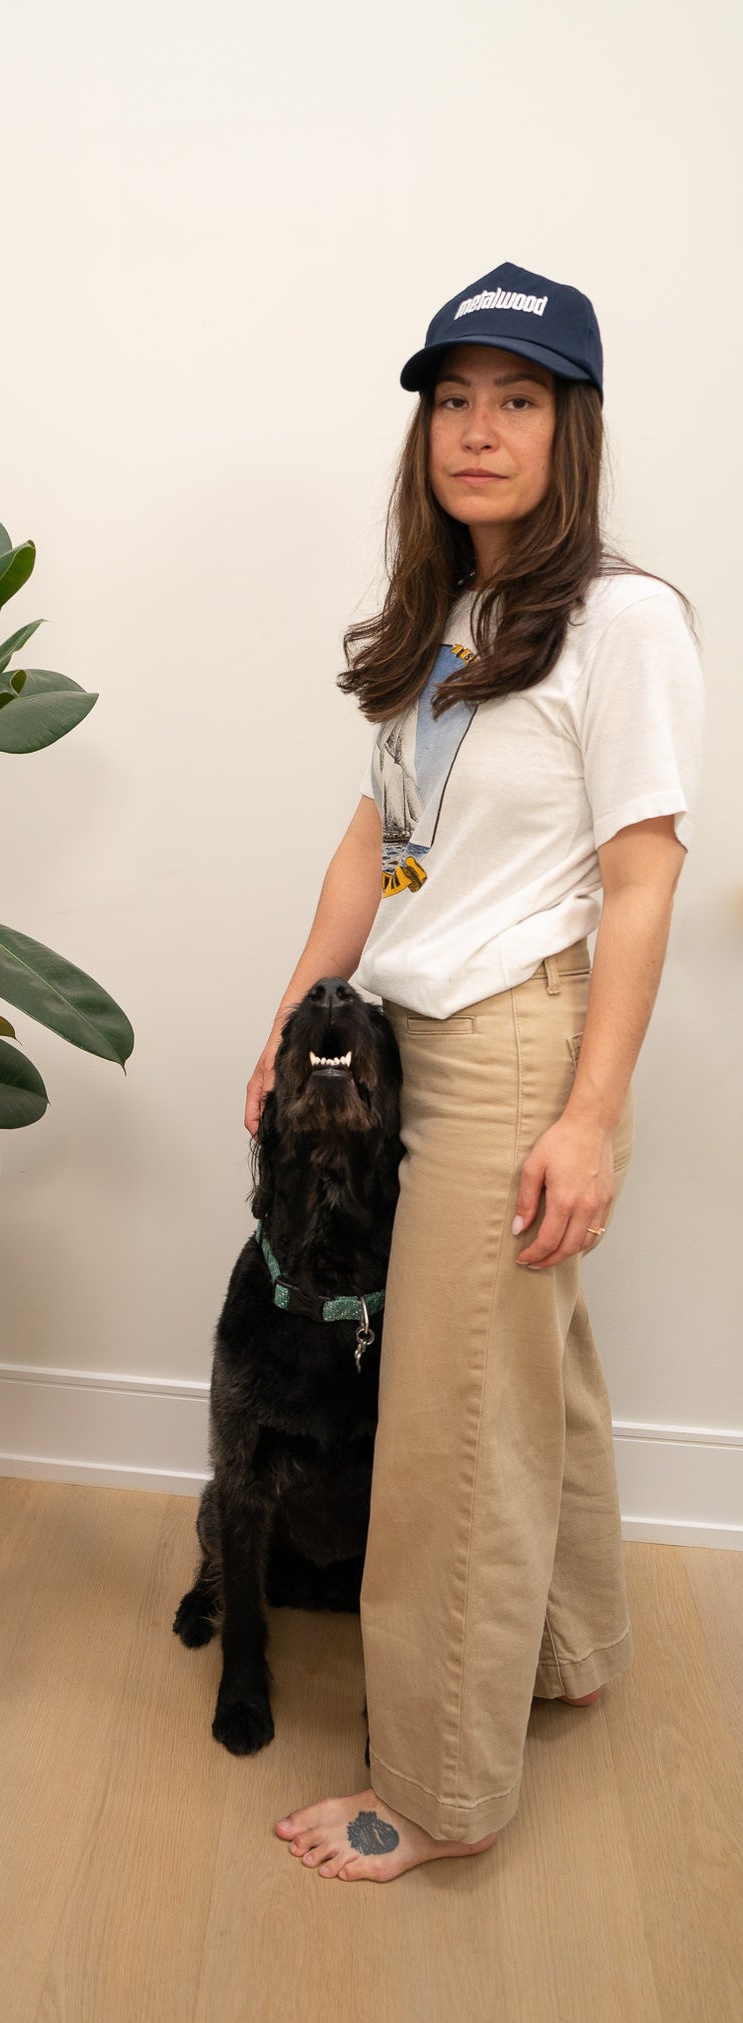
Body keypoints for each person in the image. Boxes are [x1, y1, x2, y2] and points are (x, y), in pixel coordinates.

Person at [252, 261, 705, 1883]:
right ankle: (566, 1648)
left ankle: (435, 1790)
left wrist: (588, 1115)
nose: (477, 429)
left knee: (451, 1421)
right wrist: (296, 1007)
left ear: (568, 427)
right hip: (406, 1035)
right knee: (529, 1375)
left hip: (518, 1038)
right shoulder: (445, 619)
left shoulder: (621, 617)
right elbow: (379, 833)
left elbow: (643, 874)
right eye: (452, 398)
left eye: (516, 399)